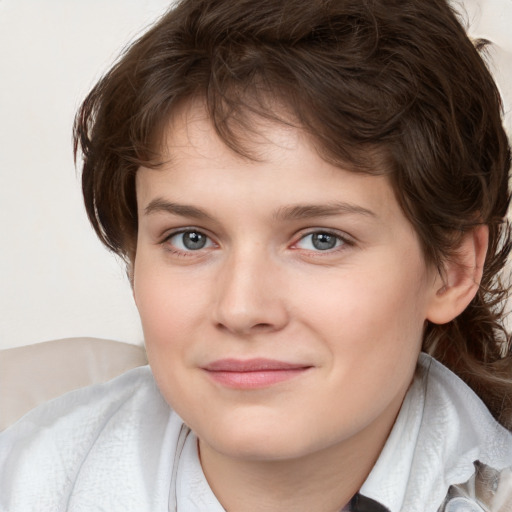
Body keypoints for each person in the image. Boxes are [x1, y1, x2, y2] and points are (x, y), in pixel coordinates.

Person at [1, 0, 512, 510]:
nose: (241, 309)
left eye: (321, 239)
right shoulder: (25, 476)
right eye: (190, 238)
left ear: (452, 270)